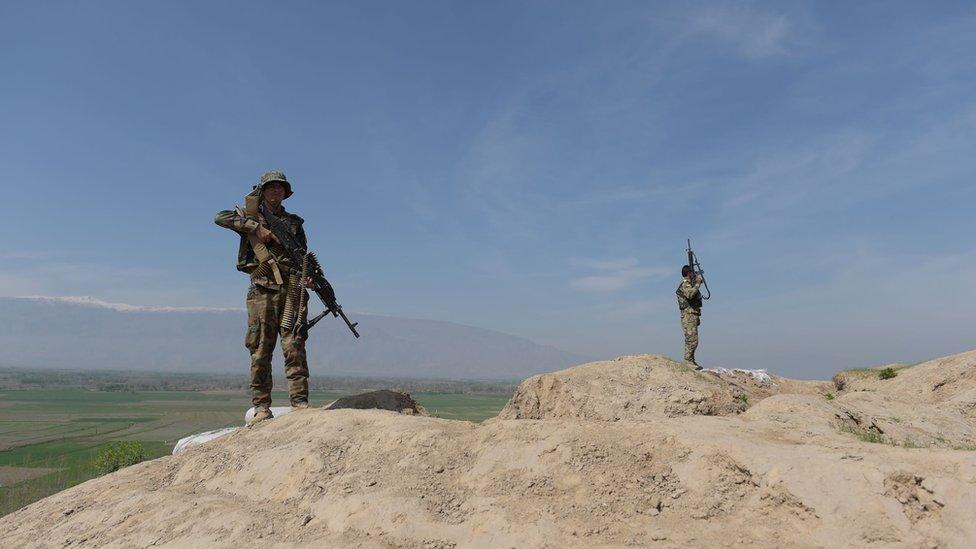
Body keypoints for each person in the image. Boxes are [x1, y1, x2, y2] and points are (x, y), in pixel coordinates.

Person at [214, 170, 311, 424]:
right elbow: (220, 217)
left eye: (280, 188)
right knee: (260, 349)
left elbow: (303, 256)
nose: (276, 191)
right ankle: (261, 407)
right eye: (271, 187)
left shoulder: (294, 223)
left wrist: (308, 278)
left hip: (292, 289)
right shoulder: (251, 216)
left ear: (285, 192)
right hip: (262, 290)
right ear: (263, 191)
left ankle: (300, 404)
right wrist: (256, 227)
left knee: (294, 345)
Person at [676, 265, 704, 370]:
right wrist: (697, 283)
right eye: (692, 272)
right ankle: (687, 361)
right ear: (688, 273)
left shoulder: (689, 284)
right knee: (691, 340)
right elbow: (690, 294)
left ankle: (691, 360)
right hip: (688, 315)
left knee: (693, 339)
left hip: (692, 314)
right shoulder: (685, 284)